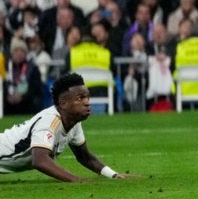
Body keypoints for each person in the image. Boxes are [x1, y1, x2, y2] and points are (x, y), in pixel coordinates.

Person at [0, 72, 138, 182]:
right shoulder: (49, 121)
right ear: (63, 103)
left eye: (87, 97)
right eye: (80, 98)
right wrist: (75, 179)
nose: (87, 102)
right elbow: (40, 160)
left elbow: (84, 156)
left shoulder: (74, 122)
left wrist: (114, 175)